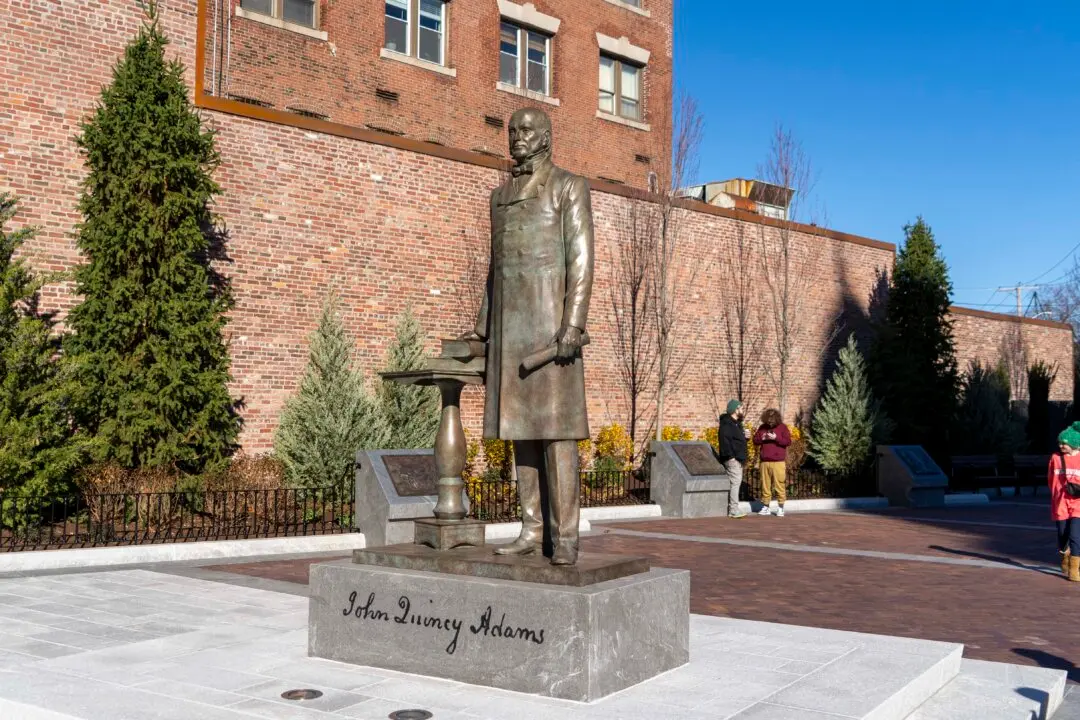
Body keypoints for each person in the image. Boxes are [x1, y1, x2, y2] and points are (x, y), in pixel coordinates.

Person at [461, 107, 594, 566]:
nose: (517, 137)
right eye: (512, 130)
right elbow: (495, 273)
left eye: (527, 131)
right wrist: (482, 329)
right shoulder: (499, 198)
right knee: (522, 436)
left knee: (557, 437)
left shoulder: (568, 187)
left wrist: (573, 325)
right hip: (511, 334)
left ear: (546, 137)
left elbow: (581, 260)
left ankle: (566, 535)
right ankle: (532, 528)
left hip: (551, 335)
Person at [1049, 422, 1080, 581]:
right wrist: (1055, 496)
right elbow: (1050, 480)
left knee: (1075, 535)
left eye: (1065, 443)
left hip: (1078, 503)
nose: (1061, 445)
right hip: (1060, 503)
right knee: (1062, 534)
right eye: (1060, 442)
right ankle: (1064, 555)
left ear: (1074, 444)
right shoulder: (1055, 458)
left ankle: (1074, 570)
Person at [753, 408, 791, 517]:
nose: (770, 422)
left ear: (776, 419)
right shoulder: (762, 428)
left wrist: (776, 438)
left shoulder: (783, 427)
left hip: (778, 461)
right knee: (765, 485)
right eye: (768, 420)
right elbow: (755, 440)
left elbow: (788, 441)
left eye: (772, 420)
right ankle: (766, 507)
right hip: (764, 461)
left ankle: (781, 507)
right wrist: (763, 438)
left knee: (779, 484)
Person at [718, 400, 750, 518]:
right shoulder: (727, 424)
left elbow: (736, 441)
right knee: (735, 484)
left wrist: (746, 438)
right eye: (740, 408)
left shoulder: (737, 424)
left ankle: (734, 508)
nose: (742, 410)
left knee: (735, 483)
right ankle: (733, 510)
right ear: (735, 410)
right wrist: (731, 457)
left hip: (738, 459)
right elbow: (725, 442)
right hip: (733, 459)